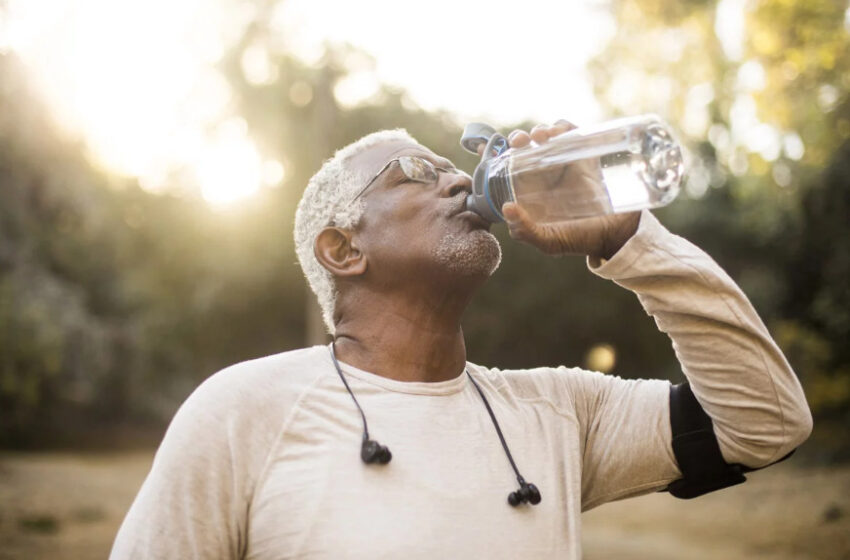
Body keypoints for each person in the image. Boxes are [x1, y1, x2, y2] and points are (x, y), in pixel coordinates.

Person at [111, 120, 812, 559]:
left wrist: (630, 240)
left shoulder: (560, 412)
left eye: (450, 164)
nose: (454, 178)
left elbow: (765, 422)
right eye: (416, 172)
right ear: (343, 249)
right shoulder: (244, 409)